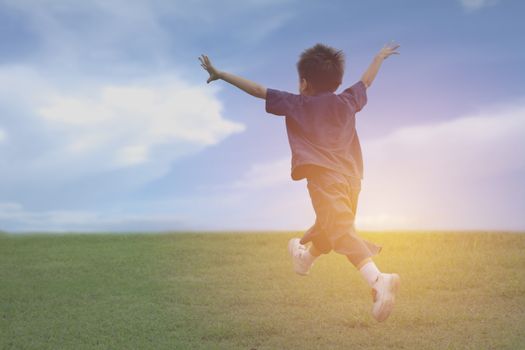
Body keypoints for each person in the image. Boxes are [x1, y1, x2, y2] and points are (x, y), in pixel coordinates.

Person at [199, 41, 400, 322]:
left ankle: (378, 280)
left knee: (340, 231)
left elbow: (258, 90)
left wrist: (221, 74)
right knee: (330, 228)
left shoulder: (298, 104)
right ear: (336, 80)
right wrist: (379, 57)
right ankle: (304, 259)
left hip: (324, 179)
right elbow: (366, 81)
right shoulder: (347, 100)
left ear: (304, 82)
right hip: (352, 180)